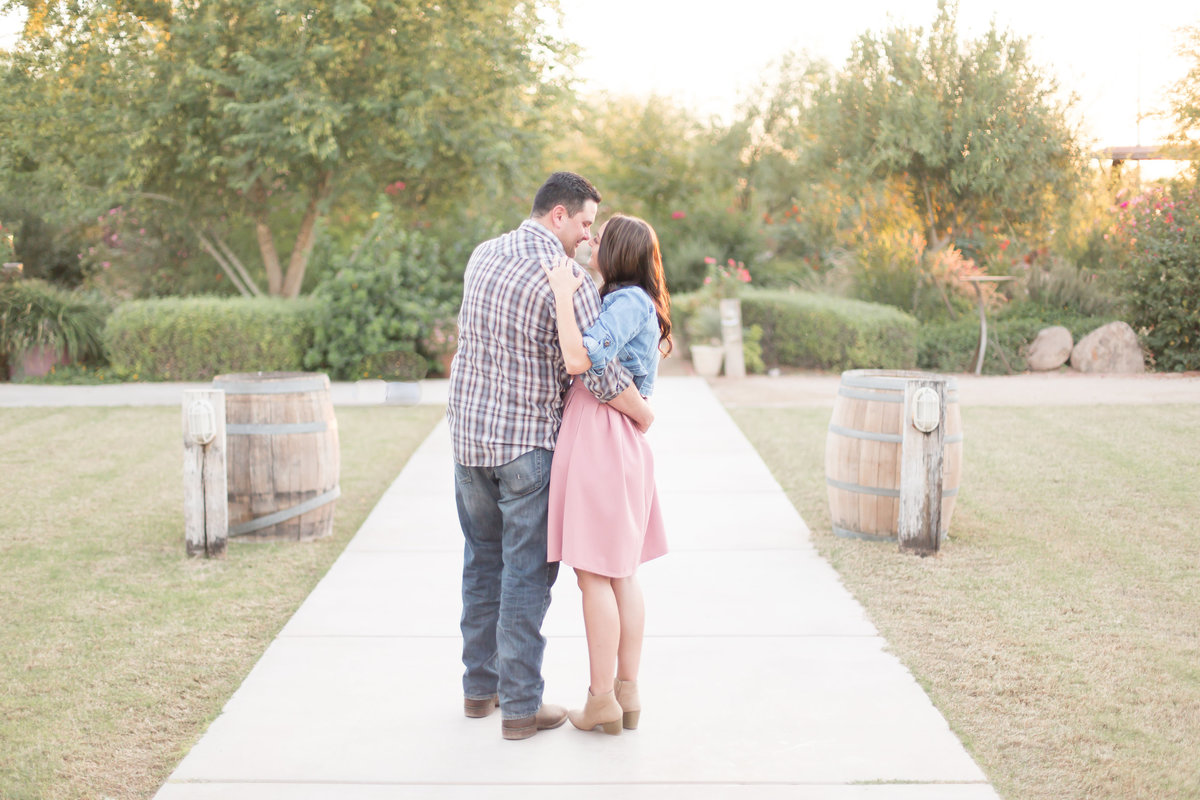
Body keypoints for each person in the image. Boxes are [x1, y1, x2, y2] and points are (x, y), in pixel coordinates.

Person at [446, 172, 654, 741]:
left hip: (467, 440)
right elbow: (603, 374)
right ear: (558, 215)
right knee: (526, 578)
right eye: (586, 223)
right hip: (525, 446)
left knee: (480, 564)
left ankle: (478, 690)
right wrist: (643, 413)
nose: (590, 238)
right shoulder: (571, 280)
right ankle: (520, 708)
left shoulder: (483, 254)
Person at [541, 213, 672, 735]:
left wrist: (559, 294)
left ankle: (601, 700)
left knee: (594, 572)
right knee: (620, 572)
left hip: (601, 435)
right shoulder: (631, 300)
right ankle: (625, 691)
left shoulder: (624, 302)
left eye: (601, 236)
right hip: (616, 437)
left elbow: (585, 360)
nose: (591, 240)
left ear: (616, 251)